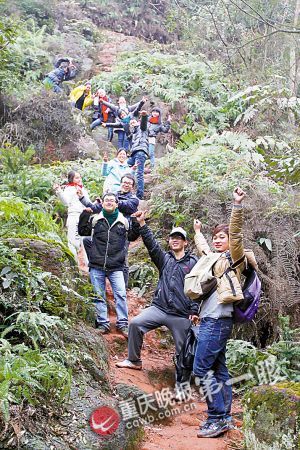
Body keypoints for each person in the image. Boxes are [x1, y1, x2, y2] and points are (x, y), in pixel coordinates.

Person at [192, 187, 258, 438]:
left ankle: (216, 416)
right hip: (211, 320)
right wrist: (198, 233)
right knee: (219, 370)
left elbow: (238, 234)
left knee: (200, 370)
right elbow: (204, 251)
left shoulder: (236, 260)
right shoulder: (215, 260)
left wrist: (237, 205)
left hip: (217, 321)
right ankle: (226, 416)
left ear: (231, 242)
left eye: (223, 237)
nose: (218, 240)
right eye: (216, 236)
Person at [116, 210, 199, 372]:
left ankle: (184, 384)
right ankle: (134, 360)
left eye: (179, 238)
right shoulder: (164, 259)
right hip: (159, 308)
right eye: (172, 238)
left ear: (186, 243)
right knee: (135, 324)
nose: (175, 240)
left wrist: (194, 310)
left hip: (181, 314)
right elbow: (151, 244)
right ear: (169, 241)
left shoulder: (193, 263)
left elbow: (198, 288)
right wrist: (141, 223)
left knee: (184, 349)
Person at [78, 192, 139, 336]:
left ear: (117, 204)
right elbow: (82, 231)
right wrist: (85, 215)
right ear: (103, 203)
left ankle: (123, 324)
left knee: (121, 294)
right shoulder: (95, 219)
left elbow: (133, 236)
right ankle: (103, 324)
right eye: (107, 200)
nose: (109, 202)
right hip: (97, 265)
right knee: (98, 295)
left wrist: (136, 222)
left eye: (112, 200)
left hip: (116, 265)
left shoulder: (124, 221)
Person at [78, 174, 139, 287]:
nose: (126, 185)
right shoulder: (111, 196)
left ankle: (123, 288)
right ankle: (95, 276)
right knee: (87, 241)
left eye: (129, 183)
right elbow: (95, 208)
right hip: (105, 230)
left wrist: (110, 200)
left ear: (132, 186)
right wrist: (83, 199)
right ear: (120, 182)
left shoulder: (134, 199)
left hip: (122, 232)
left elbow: (128, 206)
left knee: (123, 259)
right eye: (124, 182)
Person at [53, 171, 90, 262]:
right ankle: (74, 263)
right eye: (77, 178)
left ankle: (88, 265)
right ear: (71, 179)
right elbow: (65, 202)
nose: (79, 179)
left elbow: (88, 203)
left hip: (84, 216)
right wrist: (59, 191)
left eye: (80, 177)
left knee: (85, 240)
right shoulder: (69, 189)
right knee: (73, 242)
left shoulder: (83, 189)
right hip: (74, 216)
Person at [127, 111, 149, 200]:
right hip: (134, 153)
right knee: (127, 166)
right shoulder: (134, 133)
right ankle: (128, 190)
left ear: (138, 122)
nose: (132, 124)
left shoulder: (141, 129)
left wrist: (144, 116)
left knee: (139, 173)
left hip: (140, 151)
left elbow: (144, 125)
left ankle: (139, 195)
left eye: (133, 122)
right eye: (131, 123)